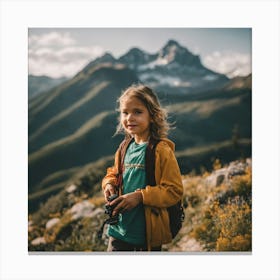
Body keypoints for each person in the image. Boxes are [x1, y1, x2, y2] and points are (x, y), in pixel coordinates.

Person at [101, 84, 183, 251]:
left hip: (146, 236)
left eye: (137, 112)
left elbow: (173, 191)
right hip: (118, 231)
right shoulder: (124, 147)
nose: (129, 117)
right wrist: (109, 184)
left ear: (153, 116)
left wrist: (140, 197)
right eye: (125, 112)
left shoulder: (161, 151)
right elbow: (113, 173)